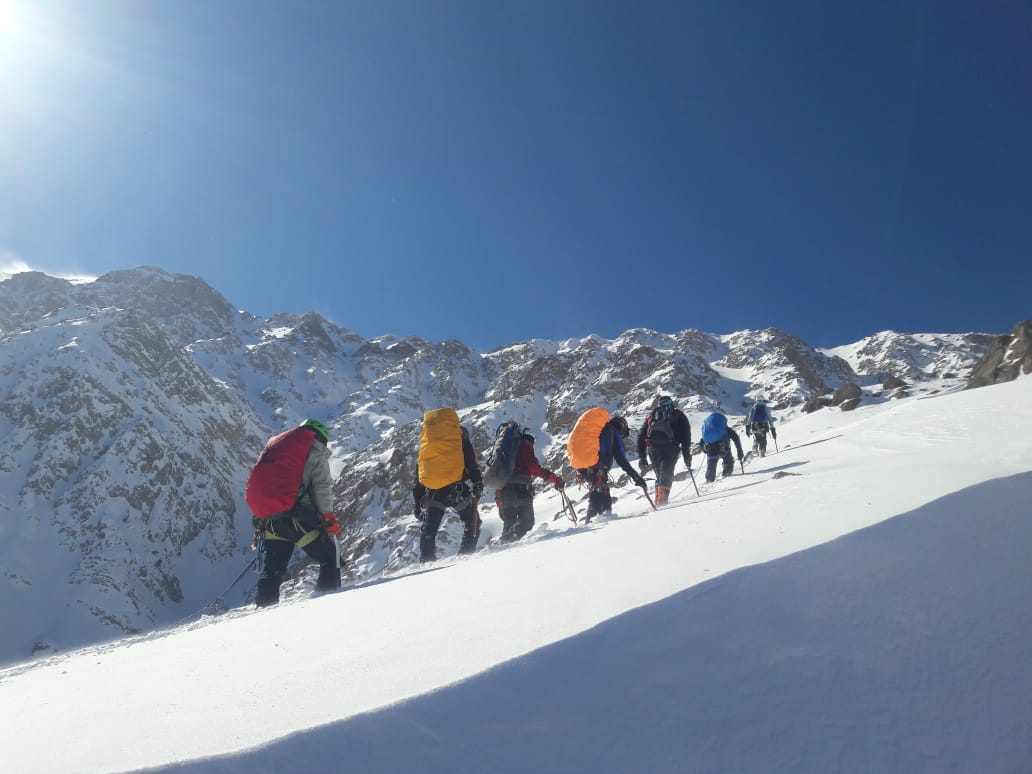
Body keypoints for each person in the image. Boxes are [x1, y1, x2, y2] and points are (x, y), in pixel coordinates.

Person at [253, 419, 342, 607]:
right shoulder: (315, 451)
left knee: (273, 569)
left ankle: (263, 611)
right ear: (320, 438)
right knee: (330, 557)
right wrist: (328, 517)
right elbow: (322, 488)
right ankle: (330, 604)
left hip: (270, 520)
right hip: (297, 517)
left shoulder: (278, 449)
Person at [412, 413, 484, 562]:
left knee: (429, 529)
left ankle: (426, 560)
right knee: (473, 521)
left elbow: (419, 474)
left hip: (434, 491)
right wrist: (477, 482)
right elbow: (471, 463)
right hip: (456, 490)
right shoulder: (460, 438)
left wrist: (418, 504)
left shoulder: (428, 443)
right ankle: (465, 557)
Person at [495, 428, 565, 542]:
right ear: (530, 440)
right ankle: (507, 540)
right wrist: (556, 479)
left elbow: (497, 478)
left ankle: (503, 545)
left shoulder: (503, 451)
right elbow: (535, 469)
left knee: (509, 524)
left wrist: (499, 502)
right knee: (527, 522)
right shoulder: (525, 446)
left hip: (504, 492)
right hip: (521, 491)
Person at [575, 415, 647, 522]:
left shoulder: (598, 431)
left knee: (596, 493)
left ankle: (595, 521)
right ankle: (600, 522)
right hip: (598, 468)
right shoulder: (612, 432)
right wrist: (636, 477)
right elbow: (622, 460)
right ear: (621, 426)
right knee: (601, 497)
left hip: (584, 467)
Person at [635, 395, 692, 505]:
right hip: (671, 448)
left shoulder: (651, 416)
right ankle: (662, 504)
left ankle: (659, 502)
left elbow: (641, 437)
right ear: (671, 404)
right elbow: (686, 437)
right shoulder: (678, 415)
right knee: (666, 475)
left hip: (653, 449)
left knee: (660, 476)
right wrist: (687, 455)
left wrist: (642, 457)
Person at [699, 412, 744, 483]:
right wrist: (739, 451)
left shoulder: (709, 431)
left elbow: (702, 442)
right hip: (723, 449)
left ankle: (709, 480)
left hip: (710, 450)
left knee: (711, 467)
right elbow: (736, 439)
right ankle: (726, 475)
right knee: (728, 462)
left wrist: (705, 450)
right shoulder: (726, 429)